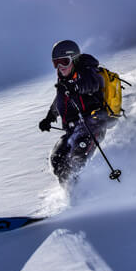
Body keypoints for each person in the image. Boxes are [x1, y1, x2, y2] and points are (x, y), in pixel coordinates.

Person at [38, 40, 114, 185]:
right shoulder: (64, 78)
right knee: (57, 159)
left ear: (74, 59)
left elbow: (92, 84)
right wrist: (50, 117)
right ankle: (70, 194)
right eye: (56, 63)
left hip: (93, 124)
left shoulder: (87, 71)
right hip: (73, 128)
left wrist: (76, 87)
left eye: (64, 62)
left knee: (78, 157)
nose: (60, 67)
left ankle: (91, 193)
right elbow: (60, 98)